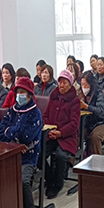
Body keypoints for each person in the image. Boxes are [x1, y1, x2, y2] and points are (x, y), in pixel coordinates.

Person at [0, 77, 42, 208]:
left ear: (29, 94)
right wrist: (14, 135)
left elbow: (26, 136)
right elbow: (0, 132)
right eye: (18, 92)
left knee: (23, 182)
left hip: (28, 156)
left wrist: (11, 133)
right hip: (10, 154)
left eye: (22, 92)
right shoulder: (12, 110)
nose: (19, 95)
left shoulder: (35, 113)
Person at [42, 70, 80, 198]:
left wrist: (60, 133)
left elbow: (74, 124)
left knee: (60, 155)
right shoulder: (53, 96)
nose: (61, 85)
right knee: (39, 153)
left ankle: (58, 184)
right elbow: (45, 116)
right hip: (51, 134)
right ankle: (50, 179)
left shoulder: (74, 100)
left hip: (67, 137)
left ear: (70, 84)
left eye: (64, 83)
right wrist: (50, 129)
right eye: (60, 82)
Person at [80, 71, 104, 155]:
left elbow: (101, 111)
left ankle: (98, 159)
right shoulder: (80, 94)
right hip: (87, 122)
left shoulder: (98, 93)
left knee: (95, 136)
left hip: (101, 122)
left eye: (86, 85)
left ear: (91, 84)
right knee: (76, 133)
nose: (84, 87)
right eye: (82, 85)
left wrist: (87, 107)